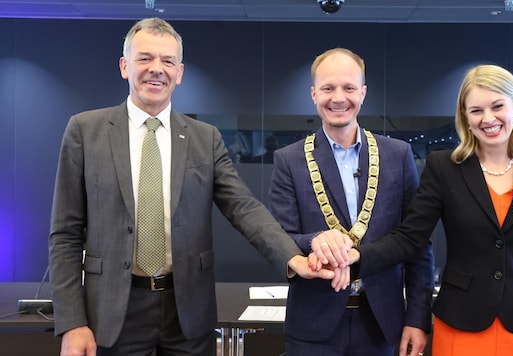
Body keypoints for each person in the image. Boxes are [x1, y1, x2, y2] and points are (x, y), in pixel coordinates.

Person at [48, 17, 343, 356]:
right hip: (113, 312)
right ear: (124, 66)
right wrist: (72, 321)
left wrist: (293, 258)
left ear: (180, 72)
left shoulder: (204, 138)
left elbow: (243, 207)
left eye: (168, 61)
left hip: (187, 312)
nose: (156, 69)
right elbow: (65, 234)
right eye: (145, 58)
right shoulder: (85, 131)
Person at [323, 64, 513, 355]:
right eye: (476, 110)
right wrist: (355, 258)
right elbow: (410, 238)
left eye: (497, 106)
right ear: (465, 117)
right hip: (461, 323)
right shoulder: (444, 168)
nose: (488, 119)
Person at [268, 47, 435, 356]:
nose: (338, 98)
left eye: (349, 87)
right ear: (313, 93)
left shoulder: (397, 155)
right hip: (312, 328)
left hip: (383, 325)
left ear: (363, 93)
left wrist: (417, 318)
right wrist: (318, 240)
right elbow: (279, 238)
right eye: (328, 88)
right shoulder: (288, 160)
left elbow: (417, 244)